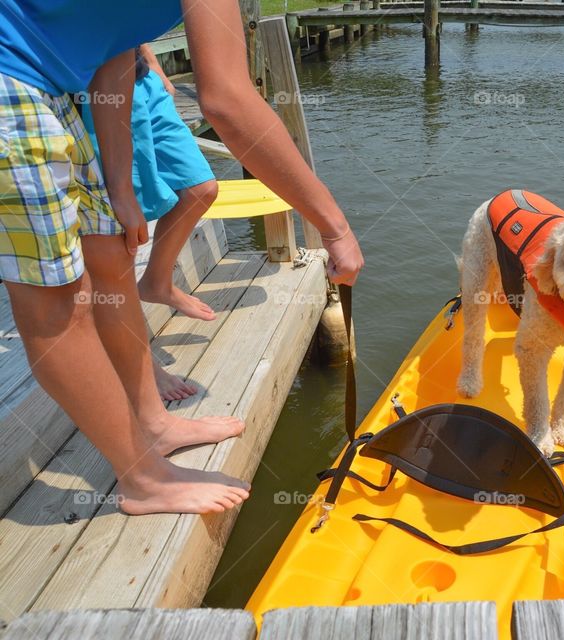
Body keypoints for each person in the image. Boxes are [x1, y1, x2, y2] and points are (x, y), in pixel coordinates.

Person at [0, 0, 364, 515]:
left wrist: (121, 187)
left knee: (110, 251)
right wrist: (335, 227)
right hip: (10, 84)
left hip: (54, 91)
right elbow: (227, 103)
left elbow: (114, 52)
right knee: (57, 307)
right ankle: (143, 478)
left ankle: (153, 422)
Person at [81, 44, 217, 402]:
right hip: (94, 82)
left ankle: (157, 281)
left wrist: (153, 62)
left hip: (142, 77)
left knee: (200, 188)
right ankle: (143, 366)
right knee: (119, 234)